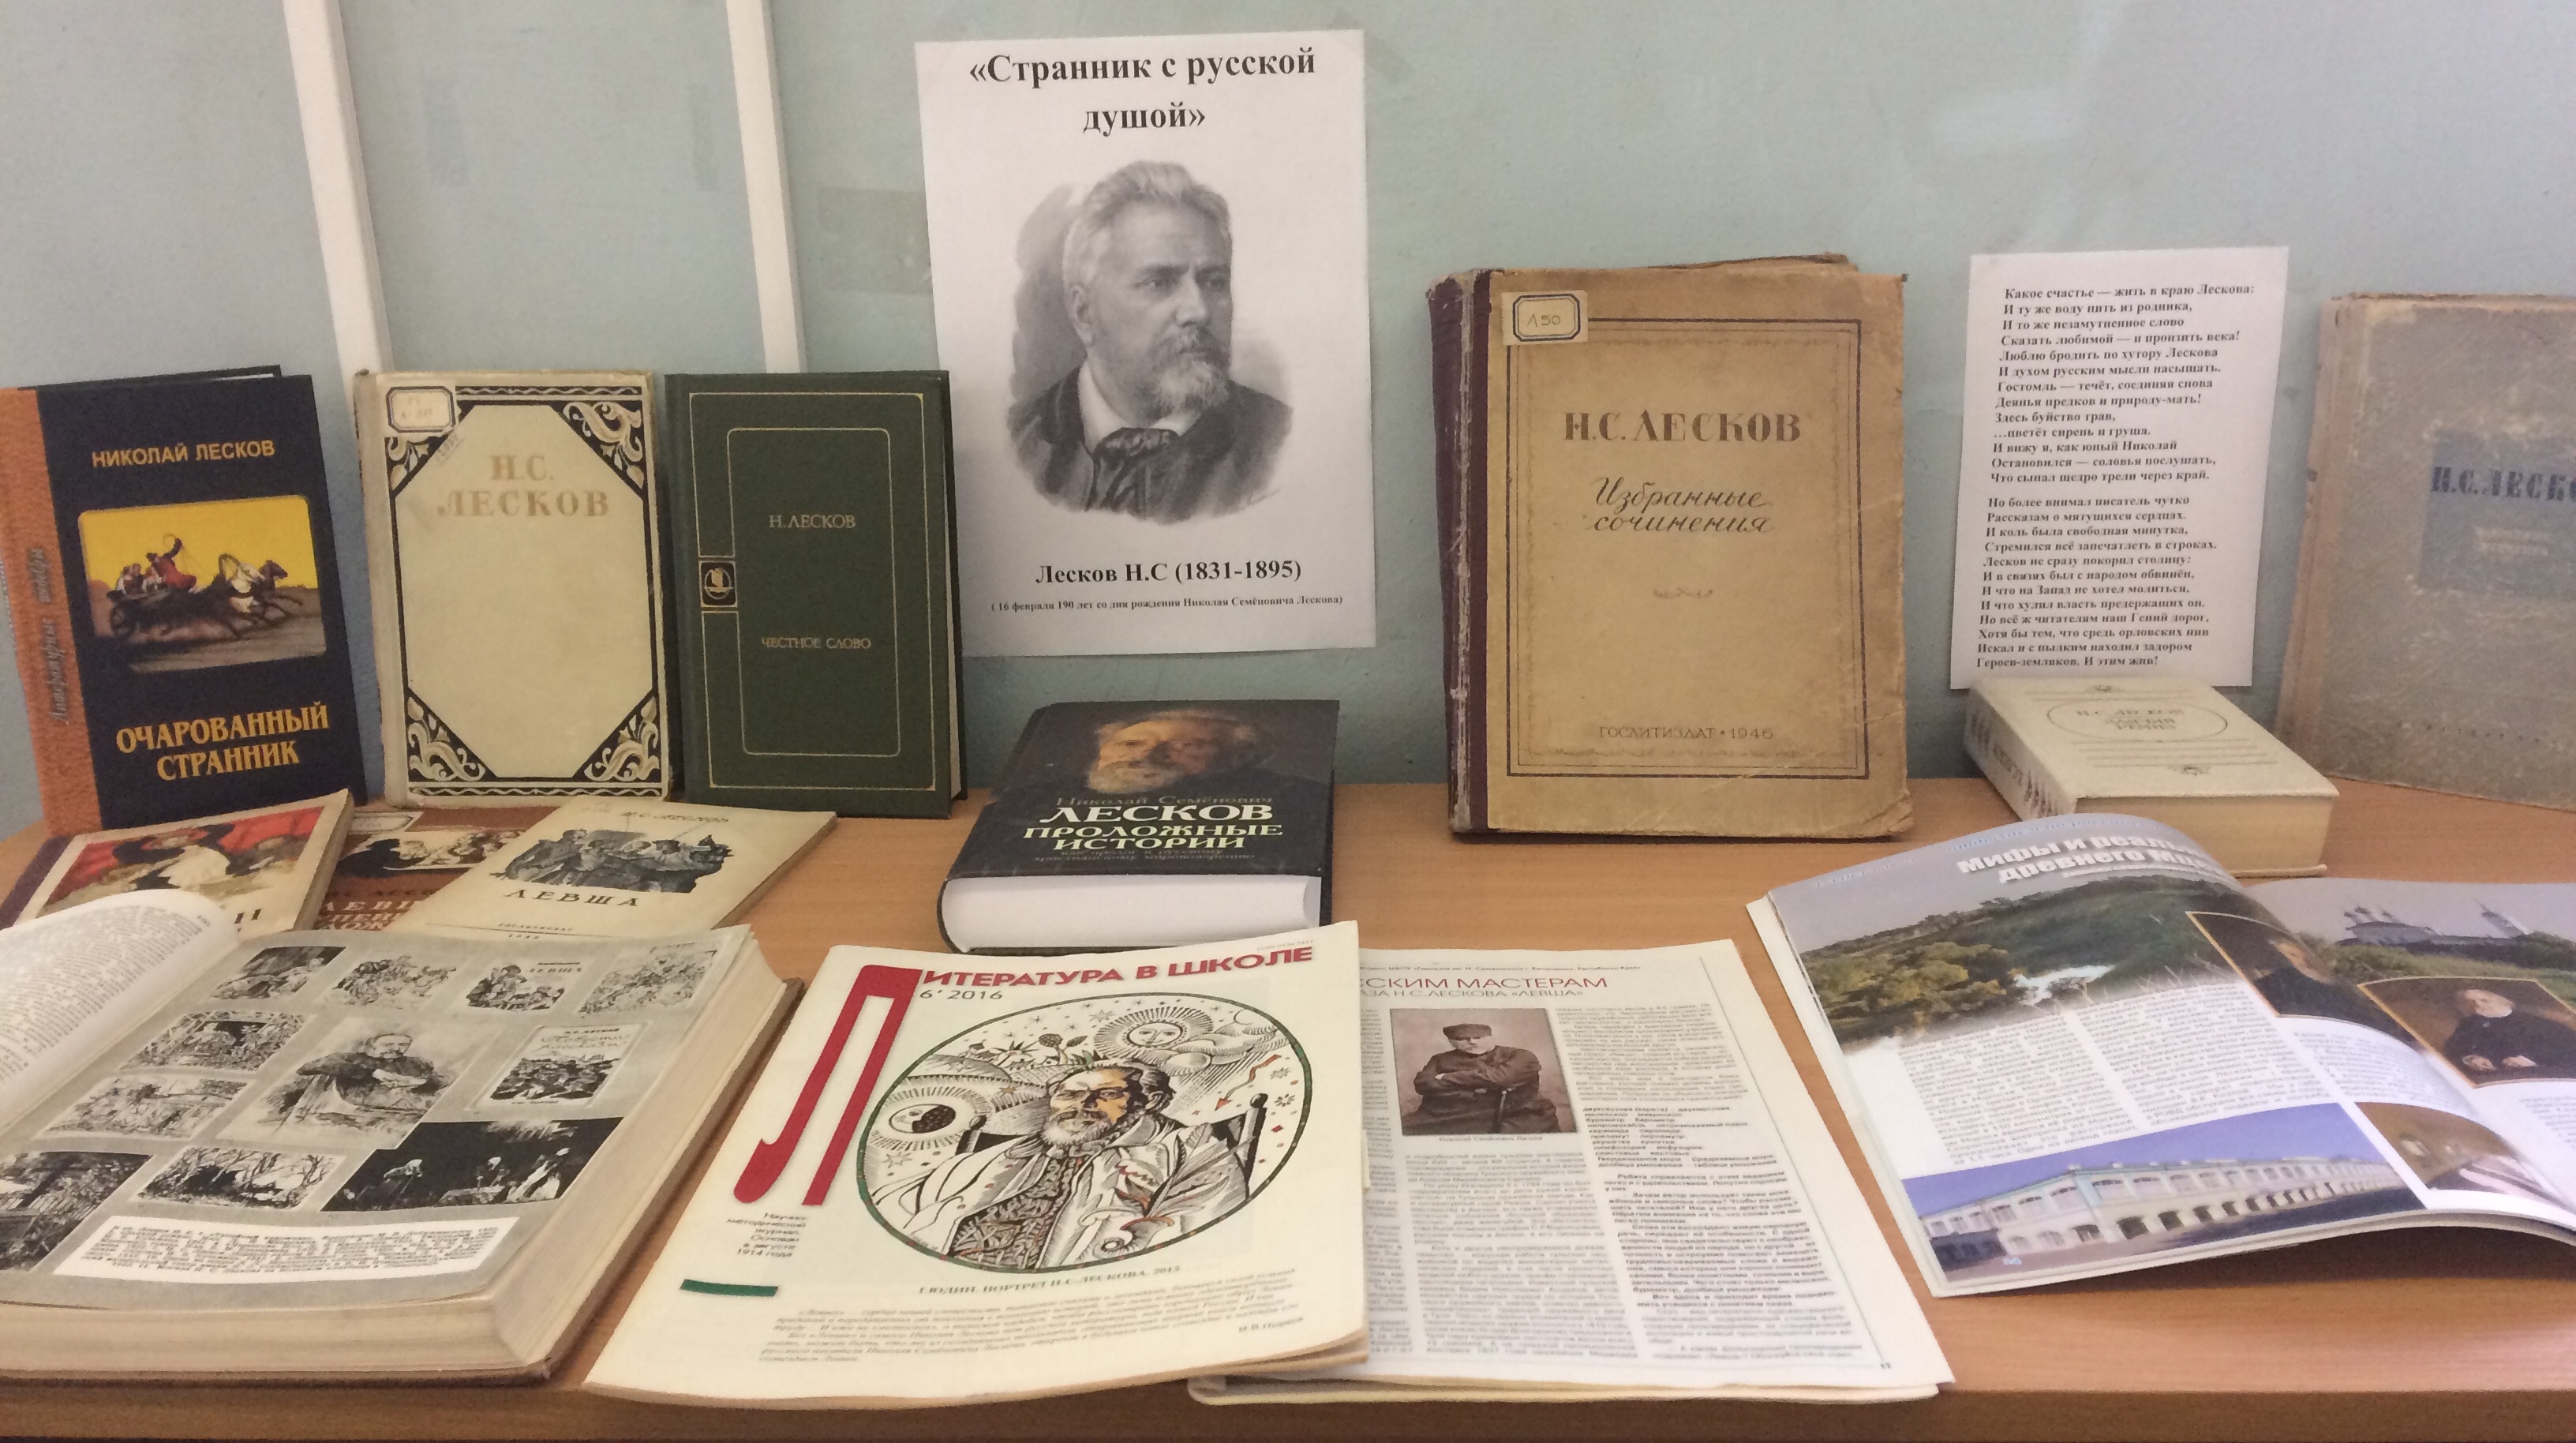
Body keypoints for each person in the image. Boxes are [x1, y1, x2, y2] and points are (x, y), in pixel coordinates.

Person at [1009, 160, 1290, 523]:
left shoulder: (1276, 444)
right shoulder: (1021, 443)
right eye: (1159, 283)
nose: (1198, 310)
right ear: (1083, 312)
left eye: (1214, 282)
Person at [874, 1062, 1248, 1270]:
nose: (1081, 1104)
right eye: (1068, 1094)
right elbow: (901, 1210)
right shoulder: (999, 1156)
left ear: (1149, 1102)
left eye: (1107, 1094)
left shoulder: (1190, 1150)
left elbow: (1204, 1239)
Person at [2245, 934, 2415, 1041]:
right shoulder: (2279, 982)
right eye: (2283, 955)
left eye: (2292, 954)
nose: (2290, 960)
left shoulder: (2340, 986)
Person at [1406, 1023, 1560, 1134]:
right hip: (1451, 1114)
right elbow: (1423, 1084)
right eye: (1463, 1039)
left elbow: (1501, 1078)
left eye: (1478, 1037)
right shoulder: (1440, 1059)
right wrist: (1479, 1085)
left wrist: (1446, 1077)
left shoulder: (1520, 1055)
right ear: (1452, 1043)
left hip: (1516, 1112)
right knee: (1406, 1128)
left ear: (1490, 1038)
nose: (1472, 1042)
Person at [2443, 988, 2576, 1081]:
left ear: (2502, 1000)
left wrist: (2533, 1065)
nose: (2477, 1004)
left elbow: (2569, 1061)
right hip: (2491, 1082)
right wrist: (2471, 1058)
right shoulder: (2470, 1024)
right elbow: (2453, 1049)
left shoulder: (2545, 1025)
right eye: (2470, 1002)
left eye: (2484, 1000)